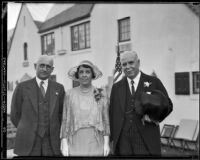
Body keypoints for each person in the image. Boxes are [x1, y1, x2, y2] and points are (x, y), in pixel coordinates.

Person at [109, 51, 173, 156]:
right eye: (124, 64)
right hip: (123, 139)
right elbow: (112, 113)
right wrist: (112, 139)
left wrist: (154, 117)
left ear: (138, 62)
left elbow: (168, 105)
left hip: (146, 137)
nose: (127, 67)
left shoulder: (153, 81)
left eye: (131, 62)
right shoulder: (116, 87)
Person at [10, 55, 65, 156]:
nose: (44, 69)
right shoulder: (22, 87)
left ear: (52, 70)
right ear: (35, 66)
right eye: (42, 65)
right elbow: (15, 114)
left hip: (51, 142)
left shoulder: (59, 88)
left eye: (48, 67)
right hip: (28, 142)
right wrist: (27, 129)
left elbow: (61, 114)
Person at [60, 60, 110, 156]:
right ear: (77, 75)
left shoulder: (100, 93)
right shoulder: (69, 94)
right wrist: (64, 141)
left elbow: (105, 119)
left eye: (87, 72)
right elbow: (65, 119)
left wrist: (106, 142)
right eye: (81, 72)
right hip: (75, 140)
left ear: (92, 75)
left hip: (96, 140)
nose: (84, 75)